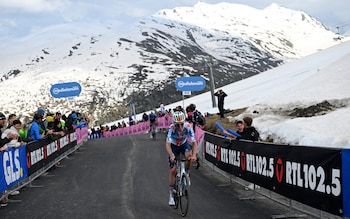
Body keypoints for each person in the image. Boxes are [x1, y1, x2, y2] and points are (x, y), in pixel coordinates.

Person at [166, 111, 197, 206]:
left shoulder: (188, 127)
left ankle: (186, 173)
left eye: (181, 124)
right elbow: (167, 144)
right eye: (177, 125)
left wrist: (194, 155)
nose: (180, 127)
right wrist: (171, 154)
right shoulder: (171, 129)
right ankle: (171, 193)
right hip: (174, 147)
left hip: (183, 145)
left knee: (189, 156)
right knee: (173, 170)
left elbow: (194, 142)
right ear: (174, 124)